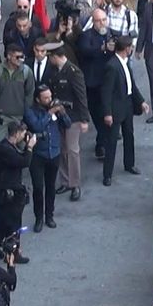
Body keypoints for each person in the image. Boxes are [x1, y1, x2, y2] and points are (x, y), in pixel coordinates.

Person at [101, 36, 148, 186]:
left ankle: (129, 164)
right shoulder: (112, 66)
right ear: (126, 49)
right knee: (112, 142)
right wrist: (107, 113)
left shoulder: (125, 63)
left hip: (127, 105)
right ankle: (107, 174)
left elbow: (131, 85)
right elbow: (106, 92)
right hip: (115, 109)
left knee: (129, 136)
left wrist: (141, 101)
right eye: (131, 47)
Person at [0, 120, 36, 262]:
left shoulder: (8, 146)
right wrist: (30, 147)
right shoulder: (5, 149)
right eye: (22, 133)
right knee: (14, 225)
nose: (24, 136)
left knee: (4, 222)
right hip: (8, 193)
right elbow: (24, 162)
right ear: (16, 133)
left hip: (9, 192)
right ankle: (13, 254)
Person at [24, 85, 72, 231]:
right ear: (38, 99)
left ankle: (49, 216)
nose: (49, 100)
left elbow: (68, 124)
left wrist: (62, 113)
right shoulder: (30, 112)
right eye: (46, 98)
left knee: (51, 187)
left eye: (50, 97)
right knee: (38, 188)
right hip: (38, 155)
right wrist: (49, 113)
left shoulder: (55, 110)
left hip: (54, 153)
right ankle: (39, 218)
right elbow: (37, 127)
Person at [47, 45, 90, 201]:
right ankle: (65, 181)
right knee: (62, 149)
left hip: (73, 116)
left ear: (55, 56)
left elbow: (81, 96)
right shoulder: (54, 71)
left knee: (72, 150)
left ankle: (75, 183)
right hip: (59, 115)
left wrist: (84, 119)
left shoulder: (73, 72)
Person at [79, 8, 115, 159]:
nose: (102, 24)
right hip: (92, 82)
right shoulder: (87, 36)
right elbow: (85, 50)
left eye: (104, 20)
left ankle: (102, 143)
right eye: (98, 21)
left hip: (107, 81)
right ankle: (102, 142)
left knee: (106, 112)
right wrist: (102, 48)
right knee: (96, 113)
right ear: (93, 22)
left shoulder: (110, 33)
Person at [0, 44, 35, 125]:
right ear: (9, 56)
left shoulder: (27, 72)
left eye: (22, 57)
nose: (21, 60)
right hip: (0, 117)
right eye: (17, 57)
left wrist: (27, 114)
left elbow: (29, 94)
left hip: (20, 117)